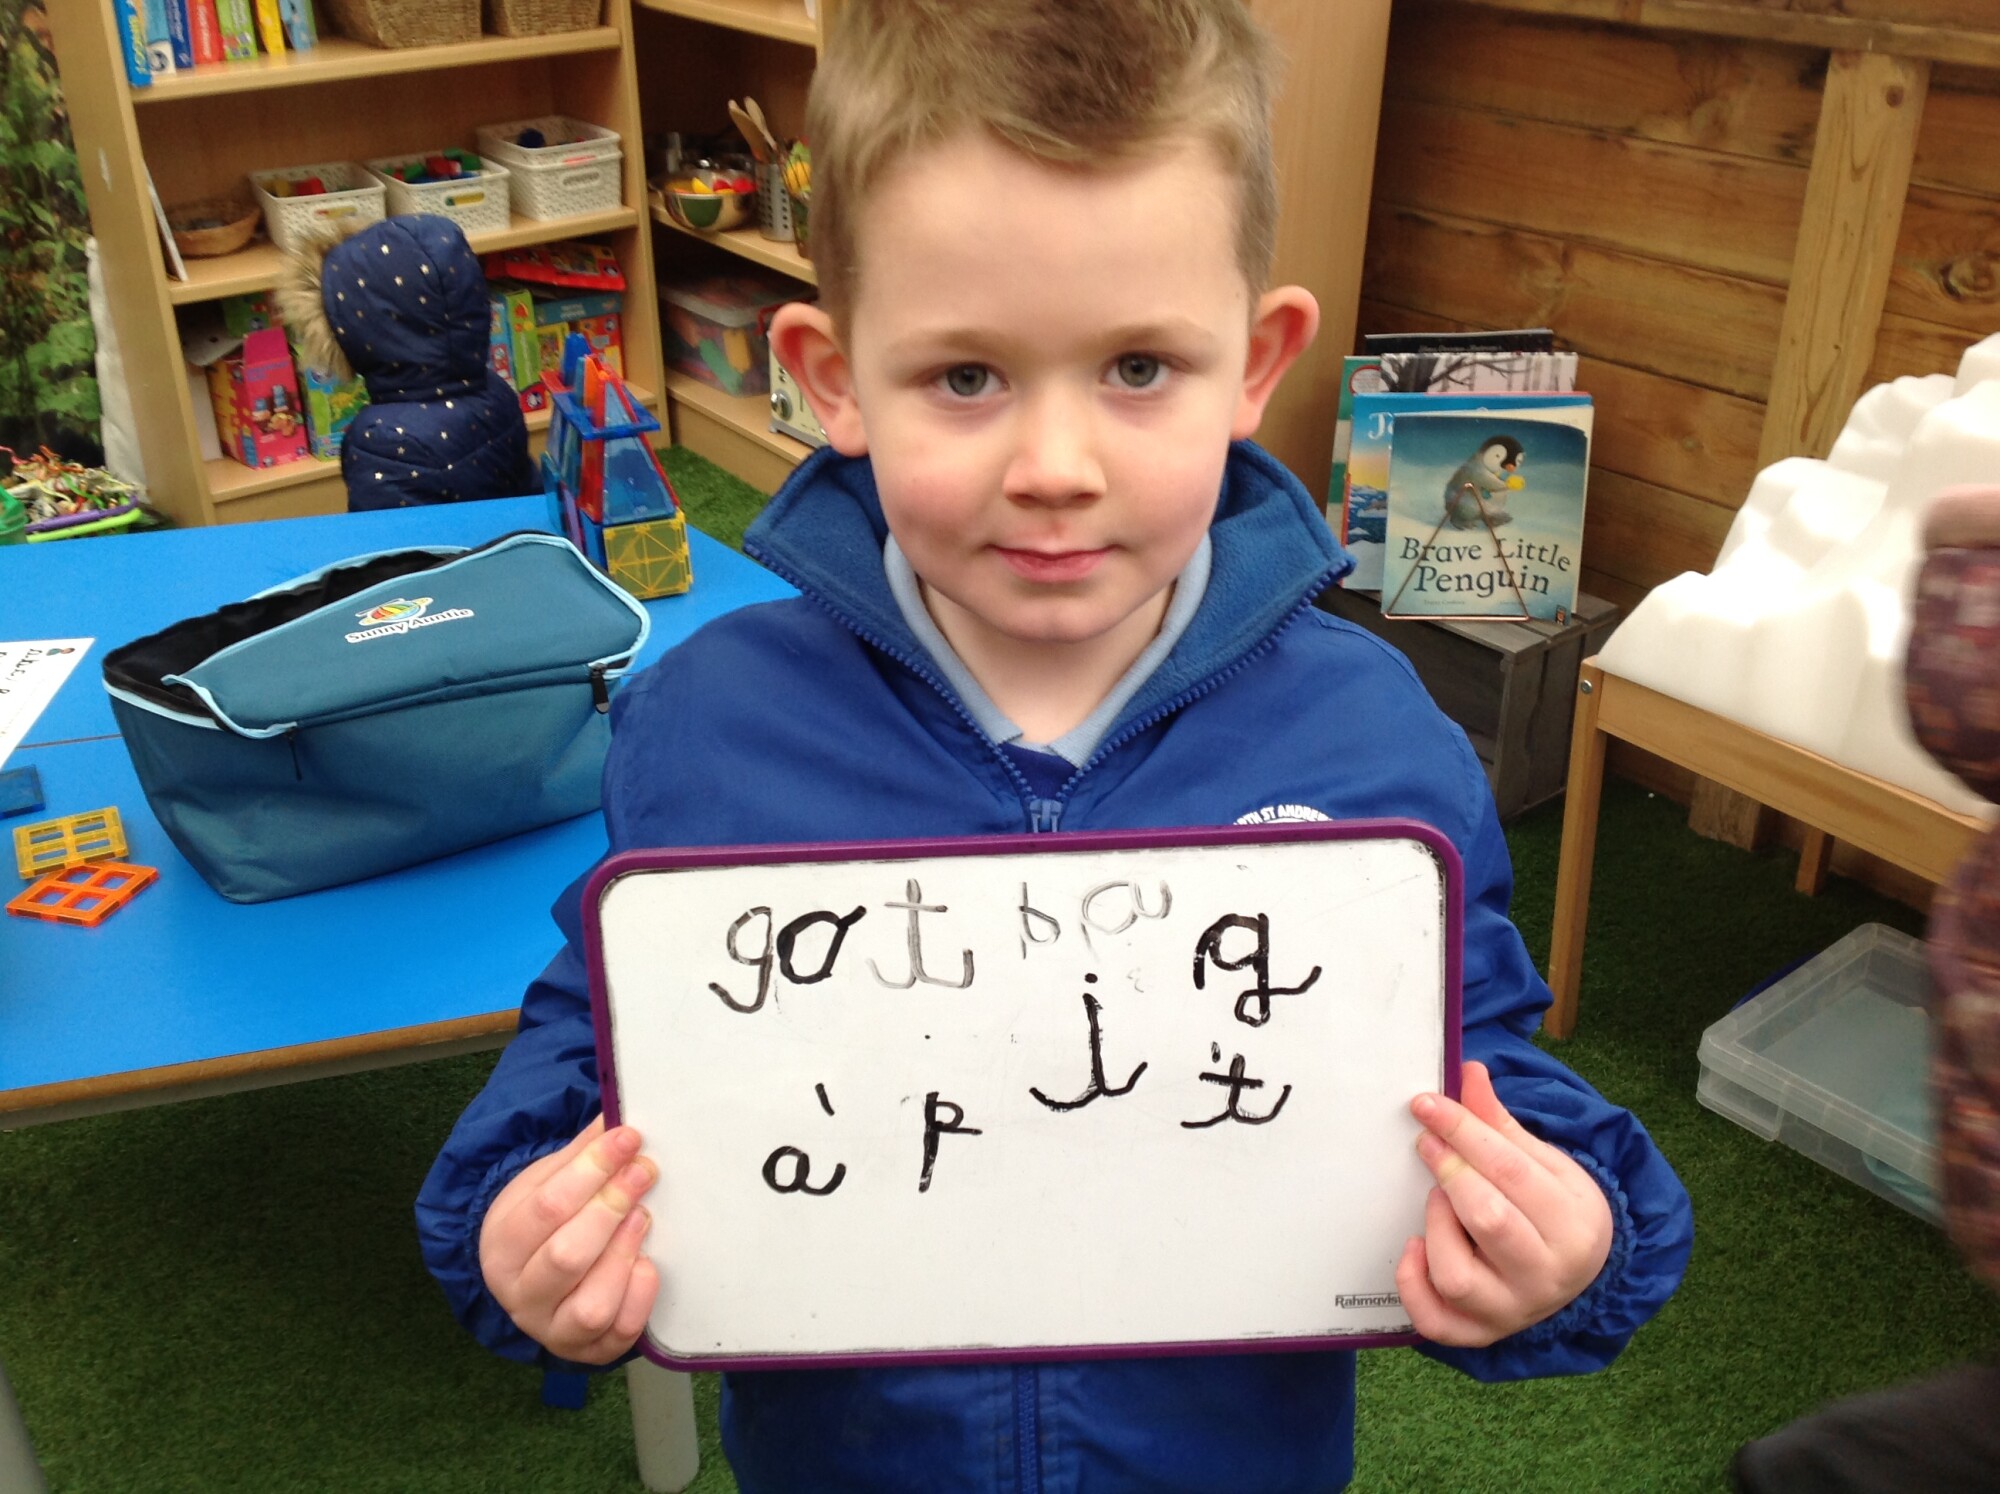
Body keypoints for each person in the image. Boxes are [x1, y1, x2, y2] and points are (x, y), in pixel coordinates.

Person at [415, 2, 1694, 1487]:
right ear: (832, 378)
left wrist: (1570, 1234)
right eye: (966, 377)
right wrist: (520, 1206)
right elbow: (602, 1033)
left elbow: (1476, 1059)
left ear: (1257, 361)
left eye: (1139, 367)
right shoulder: (710, 729)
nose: (1056, 467)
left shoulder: (1369, 736)